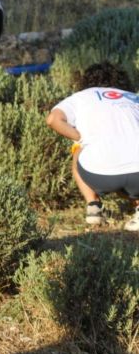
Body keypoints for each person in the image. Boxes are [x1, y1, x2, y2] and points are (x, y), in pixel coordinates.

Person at [46, 62, 139, 231]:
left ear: (86, 82)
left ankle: (93, 207)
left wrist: (80, 138)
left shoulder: (81, 97)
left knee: (79, 149)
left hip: (101, 174)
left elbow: (53, 120)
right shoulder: (133, 97)